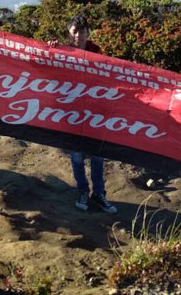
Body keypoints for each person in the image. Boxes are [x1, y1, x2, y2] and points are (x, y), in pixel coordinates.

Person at [51, 15, 117, 214]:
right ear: (69, 34)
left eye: (82, 31)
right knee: (77, 156)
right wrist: (51, 51)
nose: (79, 35)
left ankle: (99, 194)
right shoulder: (62, 52)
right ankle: (82, 191)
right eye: (75, 31)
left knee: (97, 156)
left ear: (89, 33)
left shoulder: (98, 54)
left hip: (96, 113)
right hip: (72, 112)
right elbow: (48, 70)